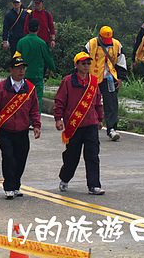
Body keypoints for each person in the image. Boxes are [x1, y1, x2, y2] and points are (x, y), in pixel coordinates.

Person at [0, 55, 41, 199]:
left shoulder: (29, 88)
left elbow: (34, 109)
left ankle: (16, 185)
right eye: (18, 69)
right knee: (8, 157)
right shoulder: (1, 87)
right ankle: (9, 187)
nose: (21, 71)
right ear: (11, 70)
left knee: (21, 158)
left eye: (23, 68)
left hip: (22, 130)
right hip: (5, 130)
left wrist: (36, 125)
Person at [54, 52, 105, 195]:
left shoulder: (94, 82)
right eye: (83, 63)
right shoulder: (67, 81)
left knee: (92, 155)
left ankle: (94, 185)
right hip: (74, 125)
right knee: (72, 156)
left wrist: (100, 119)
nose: (86, 66)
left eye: (88, 63)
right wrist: (58, 118)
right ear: (76, 65)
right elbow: (60, 101)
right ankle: (65, 178)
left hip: (91, 124)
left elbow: (98, 102)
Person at [85, 26, 127, 141]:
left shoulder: (117, 44)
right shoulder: (91, 44)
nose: (108, 43)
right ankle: (89, 127)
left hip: (109, 78)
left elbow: (121, 61)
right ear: (100, 37)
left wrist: (120, 78)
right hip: (93, 79)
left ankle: (112, 129)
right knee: (90, 103)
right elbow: (82, 61)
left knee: (111, 103)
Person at [16, 18, 55, 114]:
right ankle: (35, 120)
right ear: (38, 29)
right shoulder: (41, 43)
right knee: (37, 98)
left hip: (23, 74)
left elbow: (16, 58)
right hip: (37, 74)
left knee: (24, 96)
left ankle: (25, 119)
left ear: (28, 28)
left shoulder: (21, 42)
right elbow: (47, 58)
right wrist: (52, 68)